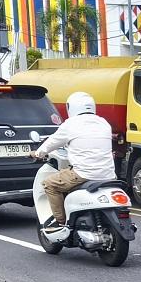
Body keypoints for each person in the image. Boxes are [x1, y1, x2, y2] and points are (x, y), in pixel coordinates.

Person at [33, 91, 116, 229]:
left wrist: (38, 153)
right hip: (108, 175)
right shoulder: (104, 123)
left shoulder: (70, 124)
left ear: (71, 107)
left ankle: (60, 222)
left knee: (49, 184)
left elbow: (51, 142)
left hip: (83, 174)